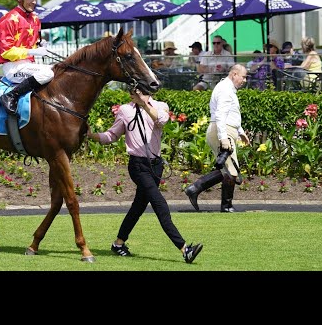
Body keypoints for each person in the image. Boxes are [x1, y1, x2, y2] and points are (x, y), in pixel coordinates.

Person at [86, 87, 203, 264]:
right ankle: (185, 249)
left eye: (138, 90)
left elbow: (162, 120)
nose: (132, 93)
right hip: (138, 165)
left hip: (156, 166)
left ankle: (118, 244)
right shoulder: (125, 110)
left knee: (138, 207)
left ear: (147, 91)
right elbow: (112, 135)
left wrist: (145, 105)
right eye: (132, 91)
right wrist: (92, 135)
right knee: (159, 204)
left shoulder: (160, 106)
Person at [185, 64, 250, 213]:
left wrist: (240, 131)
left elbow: (230, 114)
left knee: (227, 170)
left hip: (225, 130)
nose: (245, 80)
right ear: (234, 74)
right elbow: (220, 115)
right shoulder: (226, 90)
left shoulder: (227, 89)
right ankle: (226, 207)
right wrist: (224, 138)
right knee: (232, 172)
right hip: (222, 131)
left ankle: (194, 189)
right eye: (243, 76)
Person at [0, 0, 54, 116]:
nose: (34, 2)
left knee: (58, 69)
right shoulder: (8, 19)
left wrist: (41, 44)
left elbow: (34, 40)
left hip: (29, 64)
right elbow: (6, 51)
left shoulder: (35, 18)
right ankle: (11, 95)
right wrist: (34, 51)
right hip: (13, 67)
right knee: (48, 73)